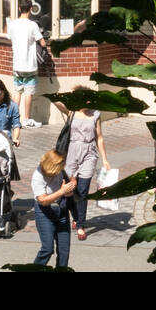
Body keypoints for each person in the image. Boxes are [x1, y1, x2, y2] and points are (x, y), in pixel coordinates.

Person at [53, 88, 112, 241]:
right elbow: (56, 101)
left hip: (89, 152)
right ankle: (75, 214)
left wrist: (104, 159)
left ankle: (81, 225)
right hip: (71, 152)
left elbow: (99, 137)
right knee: (69, 189)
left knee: (83, 190)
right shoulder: (71, 111)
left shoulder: (96, 114)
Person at [31, 148, 78, 268]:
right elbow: (43, 201)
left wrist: (70, 186)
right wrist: (62, 191)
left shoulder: (61, 165)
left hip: (61, 210)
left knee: (64, 251)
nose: (61, 169)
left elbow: (72, 179)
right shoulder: (38, 176)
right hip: (45, 213)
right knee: (47, 249)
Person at [8, 0, 46, 127]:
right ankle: (27, 119)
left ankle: (14, 119)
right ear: (31, 9)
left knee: (17, 91)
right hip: (29, 65)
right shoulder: (32, 25)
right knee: (28, 92)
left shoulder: (12, 24)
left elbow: (10, 38)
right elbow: (43, 42)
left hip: (17, 64)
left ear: (19, 9)